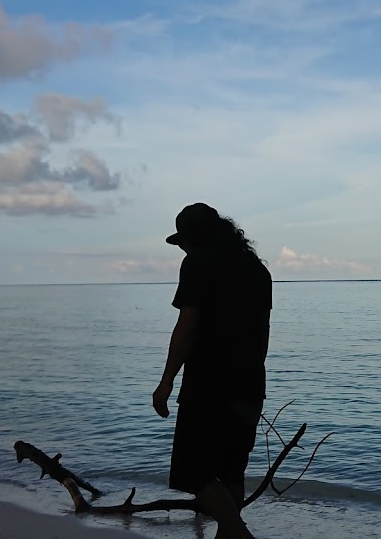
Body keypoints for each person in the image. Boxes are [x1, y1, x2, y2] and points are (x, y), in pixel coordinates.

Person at [152, 203, 272, 539]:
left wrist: (166, 382)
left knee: (191, 473)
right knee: (231, 472)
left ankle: (239, 533)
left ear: (193, 237)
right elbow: (263, 331)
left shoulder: (199, 263)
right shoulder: (256, 269)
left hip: (209, 385)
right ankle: (230, 534)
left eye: (183, 241)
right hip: (249, 384)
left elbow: (188, 325)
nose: (183, 248)